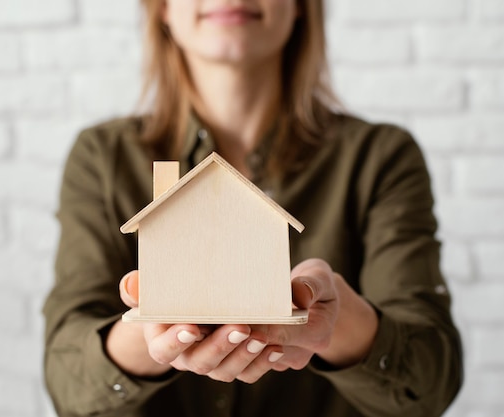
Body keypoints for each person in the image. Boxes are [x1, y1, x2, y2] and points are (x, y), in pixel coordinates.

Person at [43, 1, 463, 416]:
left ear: (300, 6)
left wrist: (339, 324)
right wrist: (154, 327)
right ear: (164, 8)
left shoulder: (381, 157)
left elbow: (430, 384)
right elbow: (67, 381)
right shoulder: (101, 158)